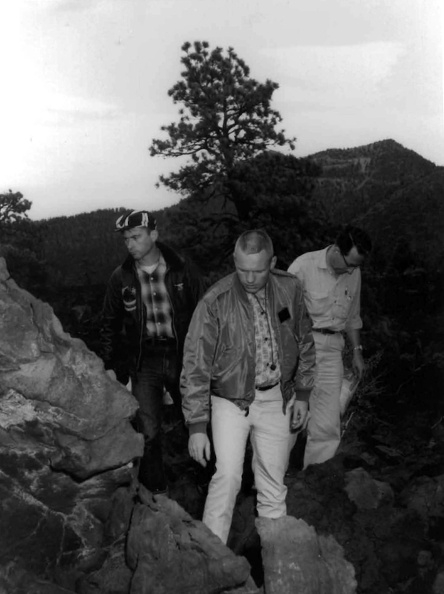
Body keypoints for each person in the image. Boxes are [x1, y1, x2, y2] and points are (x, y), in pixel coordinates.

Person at [180, 229, 315, 544]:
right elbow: (195, 364)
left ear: (273, 262)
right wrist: (197, 426)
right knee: (227, 477)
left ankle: (276, 562)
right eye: (242, 270)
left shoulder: (289, 289)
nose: (250, 278)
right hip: (230, 402)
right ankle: (210, 558)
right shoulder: (215, 301)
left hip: (277, 399)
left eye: (258, 270)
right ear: (234, 262)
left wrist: (303, 395)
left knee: (272, 482)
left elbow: (304, 340)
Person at [101, 209, 203, 494]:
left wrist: (206, 358)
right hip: (145, 362)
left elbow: (205, 312)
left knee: (196, 419)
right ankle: (158, 494)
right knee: (147, 430)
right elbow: (109, 323)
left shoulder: (182, 268)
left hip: (184, 357)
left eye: (136, 237)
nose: (130, 244)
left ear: (154, 235)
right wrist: (110, 364)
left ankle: (207, 479)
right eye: (126, 239)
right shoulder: (121, 278)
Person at [288, 225, 372, 468]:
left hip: (333, 349)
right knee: (289, 417)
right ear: (336, 250)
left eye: (356, 266)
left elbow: (353, 317)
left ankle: (315, 482)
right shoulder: (303, 267)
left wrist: (357, 352)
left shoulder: (353, 273)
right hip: (302, 347)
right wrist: (292, 337)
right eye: (349, 263)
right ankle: (272, 481)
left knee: (327, 423)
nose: (351, 270)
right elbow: (280, 308)